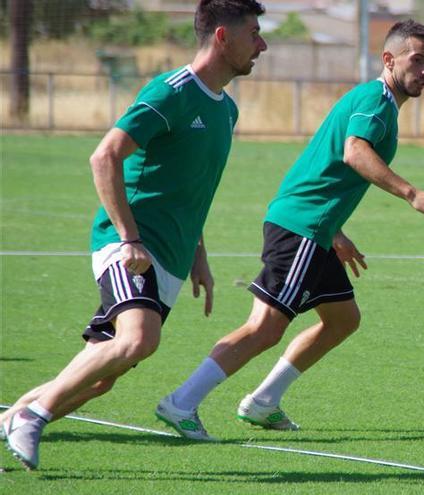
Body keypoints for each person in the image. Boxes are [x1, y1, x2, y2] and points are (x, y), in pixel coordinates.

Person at [155, 19, 424, 440]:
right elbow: (354, 153)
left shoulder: (377, 102)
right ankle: (181, 402)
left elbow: (326, 168)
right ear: (388, 59)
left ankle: (263, 402)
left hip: (316, 229)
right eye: (417, 60)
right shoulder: (376, 100)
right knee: (265, 327)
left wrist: (335, 231)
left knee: (342, 319)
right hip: (300, 228)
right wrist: (411, 193)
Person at [0, 0, 268, 470]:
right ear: (223, 37)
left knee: (104, 373)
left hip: (169, 259)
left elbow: (191, 191)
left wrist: (198, 256)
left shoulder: (227, 111)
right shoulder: (170, 92)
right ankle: (34, 416)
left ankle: (13, 418)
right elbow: (104, 157)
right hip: (127, 249)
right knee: (139, 339)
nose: (262, 44)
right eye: (254, 33)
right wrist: (128, 238)